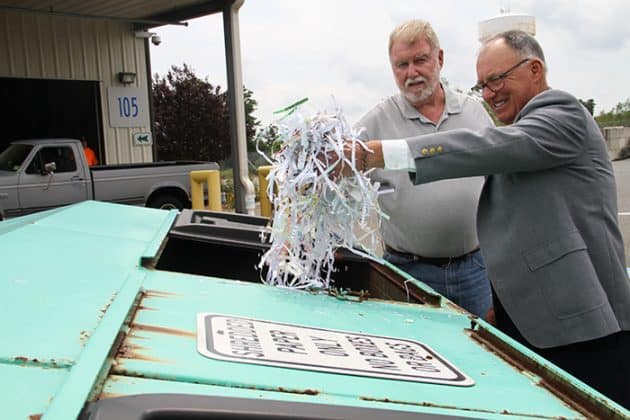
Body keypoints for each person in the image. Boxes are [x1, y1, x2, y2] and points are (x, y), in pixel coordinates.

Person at [353, 30, 630, 408]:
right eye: (482, 85)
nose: (489, 93)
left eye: (497, 79)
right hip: (533, 318)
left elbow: (489, 149)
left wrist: (381, 154)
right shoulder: (517, 124)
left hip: (582, 326)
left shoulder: (562, 114)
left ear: (535, 70)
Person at [353, 20, 494, 318]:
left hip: (475, 270)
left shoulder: (474, 112)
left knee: (482, 354)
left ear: (439, 59)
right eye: (401, 65)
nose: (411, 73)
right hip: (408, 274)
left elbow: (500, 178)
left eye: (420, 60)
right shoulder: (375, 122)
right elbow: (336, 169)